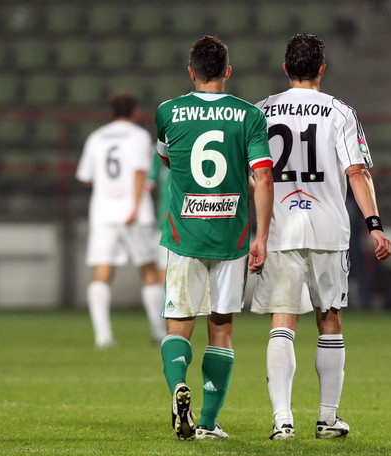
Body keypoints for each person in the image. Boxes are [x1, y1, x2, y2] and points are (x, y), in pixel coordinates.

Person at [250, 34, 391, 440]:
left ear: (285, 69)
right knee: (330, 321)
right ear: (322, 70)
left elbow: (255, 177)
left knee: (283, 320)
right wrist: (375, 224)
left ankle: (282, 420)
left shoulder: (261, 111)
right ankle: (327, 419)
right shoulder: (340, 112)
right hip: (329, 229)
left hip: (280, 229)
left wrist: (255, 232)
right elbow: (357, 173)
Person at [155, 35, 274, 441]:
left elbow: (167, 157)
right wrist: (261, 236)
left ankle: (177, 388)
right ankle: (207, 423)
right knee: (221, 329)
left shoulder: (168, 111)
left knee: (178, 328)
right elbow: (262, 176)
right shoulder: (249, 116)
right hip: (232, 238)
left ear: (191, 72)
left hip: (184, 236)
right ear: (227, 71)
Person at [76, 91, 166, 348]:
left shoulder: (96, 137)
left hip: (103, 212)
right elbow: (140, 172)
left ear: (111, 113)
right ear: (135, 112)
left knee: (102, 272)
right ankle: (158, 333)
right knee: (149, 270)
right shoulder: (139, 136)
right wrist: (134, 206)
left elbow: (87, 177)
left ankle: (103, 336)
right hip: (133, 213)